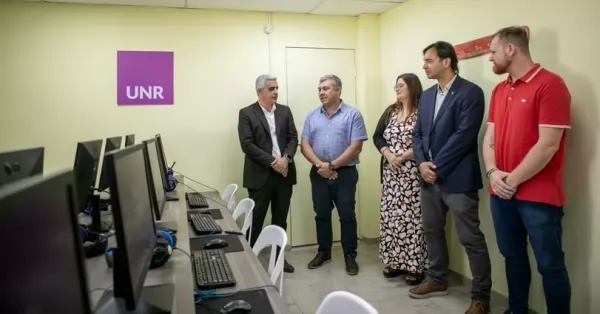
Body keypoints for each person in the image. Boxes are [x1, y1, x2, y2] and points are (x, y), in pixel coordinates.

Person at [484, 26, 571, 314]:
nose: (490, 58)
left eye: (493, 52)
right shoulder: (499, 89)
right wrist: (493, 173)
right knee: (512, 256)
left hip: (539, 196)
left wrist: (511, 179)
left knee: (550, 264)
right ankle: (517, 309)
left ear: (511, 49)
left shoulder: (550, 85)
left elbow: (548, 145)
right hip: (501, 192)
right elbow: (489, 139)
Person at [409, 41, 492, 314]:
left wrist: (435, 166)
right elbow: (418, 134)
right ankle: (436, 279)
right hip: (428, 178)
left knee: (471, 238)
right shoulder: (429, 96)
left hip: (457, 179)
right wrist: (422, 164)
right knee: (432, 231)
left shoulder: (470, 93)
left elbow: (464, 137)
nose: (424, 65)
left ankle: (480, 297)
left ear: (446, 61)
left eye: (429, 60)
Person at [300, 74, 368, 276]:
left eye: (326, 88)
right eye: (319, 89)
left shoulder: (353, 115)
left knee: (347, 215)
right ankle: (324, 252)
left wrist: (333, 166)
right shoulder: (312, 115)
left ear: (338, 90)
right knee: (321, 214)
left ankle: (350, 256)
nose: (321, 92)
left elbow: (356, 147)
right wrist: (321, 166)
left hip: (345, 173)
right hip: (318, 172)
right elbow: (304, 145)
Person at [237, 74, 298, 273]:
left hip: (284, 174)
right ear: (259, 91)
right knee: (256, 220)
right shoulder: (247, 113)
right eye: (271, 89)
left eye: (276, 88)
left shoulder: (285, 111)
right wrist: (274, 162)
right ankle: (249, 260)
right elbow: (247, 145)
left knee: (280, 219)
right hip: (260, 176)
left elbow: (292, 138)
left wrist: (286, 159)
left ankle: (278, 258)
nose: (276, 92)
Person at [372, 73, 427, 286]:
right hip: (391, 175)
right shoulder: (390, 111)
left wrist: (404, 156)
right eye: (395, 85)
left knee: (413, 220)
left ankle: (414, 265)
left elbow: (427, 140)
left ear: (412, 87)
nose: (397, 89)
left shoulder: (423, 111)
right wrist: (388, 154)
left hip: (413, 175)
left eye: (401, 85)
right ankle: (395, 262)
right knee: (392, 218)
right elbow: (378, 136)